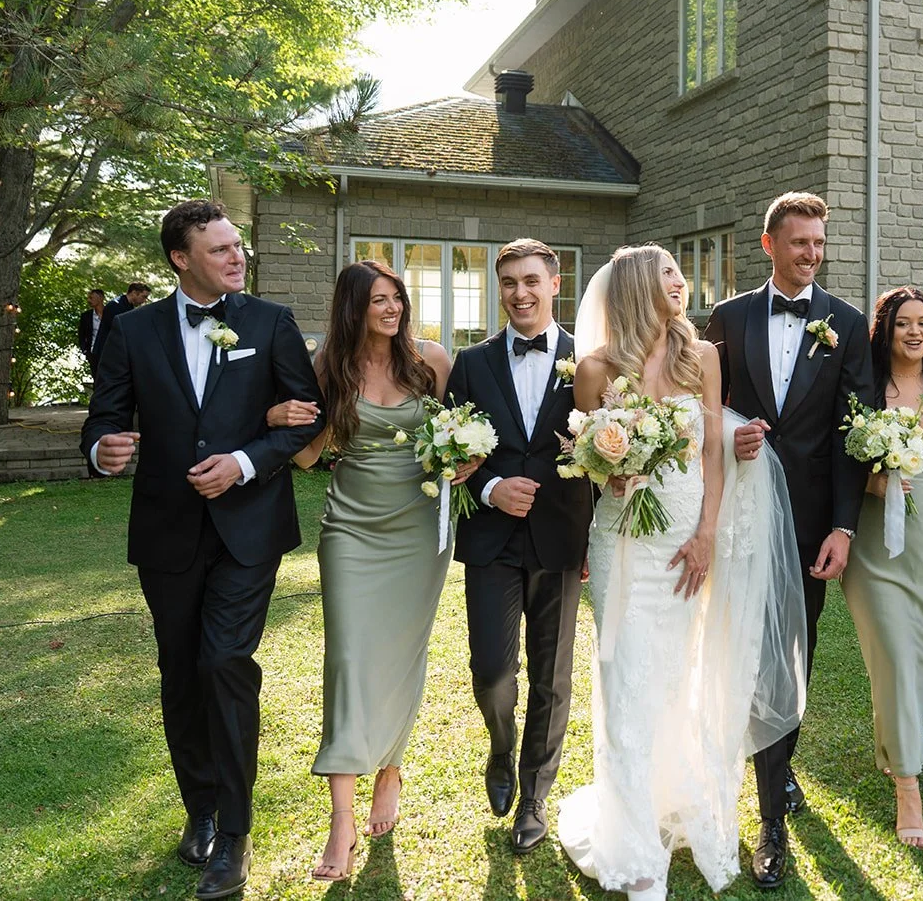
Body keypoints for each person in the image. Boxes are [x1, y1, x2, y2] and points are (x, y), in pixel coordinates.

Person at [80, 200, 324, 899]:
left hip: (249, 528)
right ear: (180, 258)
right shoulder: (131, 330)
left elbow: (308, 415)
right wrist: (104, 447)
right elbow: (105, 415)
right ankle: (201, 808)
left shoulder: (270, 322)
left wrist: (245, 461)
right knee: (180, 670)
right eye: (218, 249)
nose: (235, 257)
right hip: (166, 531)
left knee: (224, 660)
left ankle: (236, 833)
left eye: (237, 245)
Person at [557, 245, 806, 901]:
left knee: (675, 680)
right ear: (641, 286)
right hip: (624, 546)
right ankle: (638, 852)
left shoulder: (705, 357)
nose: (679, 280)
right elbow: (594, 471)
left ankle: (669, 801)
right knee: (626, 681)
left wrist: (705, 536)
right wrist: (613, 469)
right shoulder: (596, 369)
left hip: (688, 538)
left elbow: (714, 455)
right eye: (667, 271)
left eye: (678, 270)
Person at [264, 260, 470, 883]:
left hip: (418, 531)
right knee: (350, 662)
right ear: (353, 307)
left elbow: (460, 435)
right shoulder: (328, 366)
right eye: (378, 300)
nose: (391, 309)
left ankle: (391, 772)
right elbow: (306, 457)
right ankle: (341, 822)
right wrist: (277, 421)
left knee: (402, 657)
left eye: (397, 298)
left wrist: (466, 460)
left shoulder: (431, 360)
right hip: (351, 532)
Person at [703, 191, 872, 889]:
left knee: (789, 660)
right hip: (739, 519)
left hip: (807, 528)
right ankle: (746, 790)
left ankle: (771, 814)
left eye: (818, 242)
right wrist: (725, 430)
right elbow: (700, 406)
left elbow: (852, 434)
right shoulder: (729, 316)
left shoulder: (847, 324)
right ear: (769, 245)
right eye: (798, 241)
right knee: (736, 651)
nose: (811, 253)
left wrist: (842, 525)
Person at [444, 239, 593, 855]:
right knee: (493, 672)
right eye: (508, 283)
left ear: (556, 285)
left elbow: (609, 445)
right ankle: (500, 747)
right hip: (492, 538)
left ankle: (534, 795)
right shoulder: (470, 363)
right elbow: (447, 446)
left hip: (561, 539)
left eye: (531, 281)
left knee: (552, 678)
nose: (520, 293)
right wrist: (491, 484)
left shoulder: (589, 362)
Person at [839, 286, 923, 848]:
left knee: (921, 654)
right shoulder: (863, 389)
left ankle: (897, 745)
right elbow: (833, 457)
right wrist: (868, 480)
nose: (914, 333)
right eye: (902, 324)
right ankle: (908, 785)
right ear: (885, 330)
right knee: (893, 650)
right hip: (873, 542)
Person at [77, 287, 107, 378]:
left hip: (109, 351)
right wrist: (85, 350)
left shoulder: (110, 314)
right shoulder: (86, 316)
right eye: (88, 298)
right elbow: (81, 334)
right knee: (97, 377)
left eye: (91, 298)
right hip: (93, 353)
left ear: (100, 298)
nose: (89, 300)